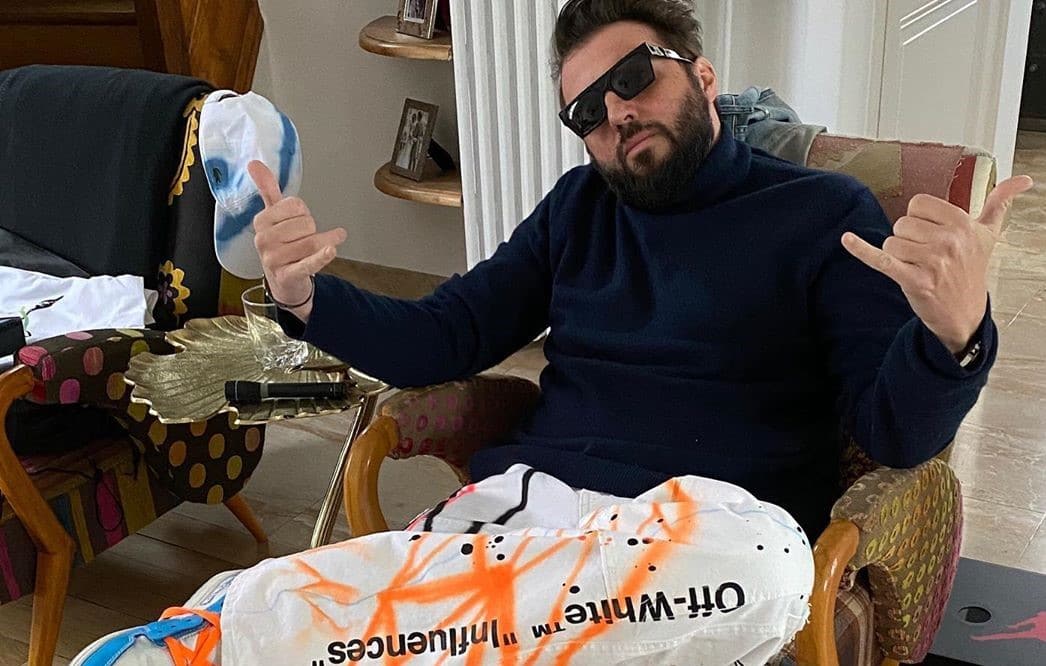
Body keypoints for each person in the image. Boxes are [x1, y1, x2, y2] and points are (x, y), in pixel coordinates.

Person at [73, 0, 1032, 664]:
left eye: (633, 77)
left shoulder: (825, 214)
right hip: (534, 514)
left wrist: (953, 335)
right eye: (585, 109)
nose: (614, 113)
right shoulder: (580, 208)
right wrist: (305, 298)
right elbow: (446, 334)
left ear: (701, 74)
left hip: (705, 538)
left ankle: (261, 622)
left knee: (768, 567)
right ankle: (234, 630)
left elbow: (895, 434)